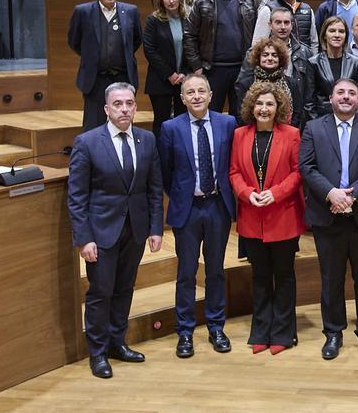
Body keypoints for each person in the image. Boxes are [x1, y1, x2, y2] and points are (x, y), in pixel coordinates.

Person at [67, 82, 163, 378]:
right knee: (101, 292)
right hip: (102, 232)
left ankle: (116, 343)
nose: (125, 109)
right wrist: (84, 238)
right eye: (118, 104)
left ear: (136, 107)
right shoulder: (87, 142)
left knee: (124, 289)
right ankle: (97, 353)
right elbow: (77, 196)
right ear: (106, 109)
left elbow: (154, 190)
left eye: (130, 103)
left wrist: (156, 228)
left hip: (135, 230)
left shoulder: (146, 140)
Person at [299, 77, 358, 360]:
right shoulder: (314, 128)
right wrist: (331, 194)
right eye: (341, 92)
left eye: (352, 93)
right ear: (331, 98)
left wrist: (352, 195)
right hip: (328, 217)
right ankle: (333, 333)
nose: (346, 97)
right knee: (331, 280)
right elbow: (306, 166)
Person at [158, 74, 238, 359]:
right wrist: (182, 193)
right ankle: (185, 331)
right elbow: (165, 172)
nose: (196, 96)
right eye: (189, 92)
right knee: (186, 273)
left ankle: (216, 327)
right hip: (187, 208)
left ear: (211, 94)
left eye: (200, 91)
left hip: (217, 206)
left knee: (215, 271)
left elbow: (233, 163)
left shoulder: (228, 123)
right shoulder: (170, 128)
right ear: (182, 98)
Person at [229, 81, 305, 354]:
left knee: (284, 276)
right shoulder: (239, 134)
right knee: (260, 277)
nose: (264, 108)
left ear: (278, 107)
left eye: (269, 104)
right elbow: (234, 172)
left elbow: (298, 173)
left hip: (283, 215)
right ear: (252, 106)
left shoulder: (292, 134)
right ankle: (261, 331)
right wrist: (246, 193)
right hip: (252, 215)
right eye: (259, 104)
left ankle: (283, 334)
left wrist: (276, 193)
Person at [68, 0, 143, 131]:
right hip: (95, 79)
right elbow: (74, 41)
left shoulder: (130, 11)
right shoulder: (83, 12)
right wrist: (93, 56)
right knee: (93, 125)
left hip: (123, 77)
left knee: (123, 120)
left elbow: (135, 40)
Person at [184, 0, 258, 116]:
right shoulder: (202, 3)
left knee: (241, 115)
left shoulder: (248, 2)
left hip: (242, 68)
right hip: (212, 70)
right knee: (211, 115)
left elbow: (256, 36)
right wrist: (197, 66)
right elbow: (189, 36)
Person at [143, 0, 188, 137]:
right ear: (161, 0)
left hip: (183, 80)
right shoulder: (153, 20)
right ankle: (160, 158)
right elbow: (149, 50)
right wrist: (169, 74)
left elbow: (192, 48)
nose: (171, 1)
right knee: (161, 122)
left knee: (182, 121)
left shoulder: (187, 19)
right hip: (161, 80)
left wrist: (184, 73)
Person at [235, 37, 310, 129]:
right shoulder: (246, 84)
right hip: (253, 133)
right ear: (258, 58)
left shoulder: (292, 83)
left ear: (281, 59)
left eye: (274, 55)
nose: (270, 58)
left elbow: (297, 114)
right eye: (265, 55)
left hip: (285, 134)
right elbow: (241, 114)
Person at [309, 16, 358, 119]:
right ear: (324, 35)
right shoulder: (314, 63)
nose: (337, 35)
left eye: (341, 31)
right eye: (332, 31)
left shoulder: (355, 62)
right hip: (322, 120)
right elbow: (309, 102)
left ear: (346, 36)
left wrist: (350, 122)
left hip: (350, 121)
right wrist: (317, 126)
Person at [253, 0, 318, 54]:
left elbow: (314, 43)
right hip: (276, 62)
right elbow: (258, 43)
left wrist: (312, 63)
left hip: (304, 63)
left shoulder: (307, 9)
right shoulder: (267, 10)